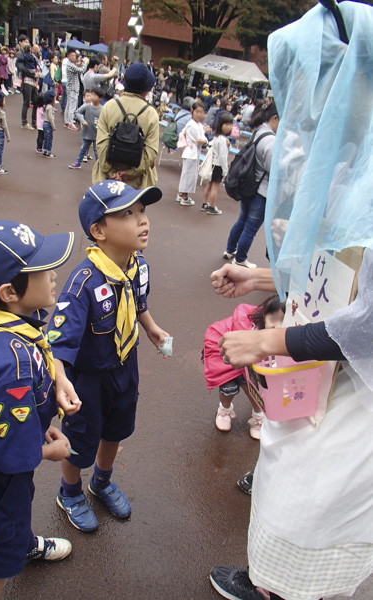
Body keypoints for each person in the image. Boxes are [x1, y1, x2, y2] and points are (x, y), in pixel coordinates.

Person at [209, 3, 373, 600]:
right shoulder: (353, 164)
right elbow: (338, 281)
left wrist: (265, 339)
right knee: (287, 489)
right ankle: (271, 583)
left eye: (317, 85)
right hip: (317, 379)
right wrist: (258, 278)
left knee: (313, 509)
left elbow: (367, 326)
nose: (304, 104)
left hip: (355, 397)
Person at [0, 220, 77, 600]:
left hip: (5, 471)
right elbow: (7, 450)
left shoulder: (4, 326)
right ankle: (9, 551)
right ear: (9, 291)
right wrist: (48, 450)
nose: (54, 275)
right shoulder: (9, 365)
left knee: (13, 520)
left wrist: (54, 380)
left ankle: (20, 542)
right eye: (41, 270)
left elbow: (12, 395)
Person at [48, 181, 169, 532]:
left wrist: (151, 327)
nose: (142, 220)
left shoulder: (138, 266)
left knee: (116, 428)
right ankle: (69, 491)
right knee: (80, 438)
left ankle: (100, 482)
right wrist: (61, 379)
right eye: (128, 214)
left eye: (143, 211)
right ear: (98, 231)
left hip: (124, 366)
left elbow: (137, 303)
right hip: (89, 378)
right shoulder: (83, 282)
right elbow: (58, 339)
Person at [204, 294, 285, 438]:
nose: (276, 326)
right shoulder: (250, 330)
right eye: (272, 319)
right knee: (231, 387)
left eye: (283, 322)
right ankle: (225, 409)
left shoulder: (283, 335)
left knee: (258, 389)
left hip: (252, 364)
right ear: (263, 315)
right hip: (226, 359)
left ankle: (258, 416)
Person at [222, 102, 278, 268]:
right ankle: (240, 258)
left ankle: (230, 249)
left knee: (241, 221)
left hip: (248, 186)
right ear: (275, 118)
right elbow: (274, 169)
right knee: (250, 229)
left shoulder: (259, 132)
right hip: (261, 192)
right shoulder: (271, 141)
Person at [93, 62, 159, 189]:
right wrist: (129, 174)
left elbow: (101, 145)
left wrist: (111, 172)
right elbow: (150, 152)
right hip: (137, 184)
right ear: (146, 89)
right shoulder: (151, 114)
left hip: (106, 180)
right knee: (133, 209)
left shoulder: (109, 106)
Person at [176, 101, 209, 207]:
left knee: (187, 174)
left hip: (192, 153)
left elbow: (201, 138)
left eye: (201, 112)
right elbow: (199, 140)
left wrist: (204, 137)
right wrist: (205, 139)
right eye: (197, 111)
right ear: (192, 111)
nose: (199, 114)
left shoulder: (197, 124)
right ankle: (184, 197)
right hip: (191, 153)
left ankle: (181, 194)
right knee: (189, 175)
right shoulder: (192, 125)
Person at [201, 113, 233, 215]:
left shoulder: (216, 137)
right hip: (218, 165)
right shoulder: (223, 140)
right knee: (215, 187)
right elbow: (223, 157)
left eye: (230, 124)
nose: (229, 127)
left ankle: (205, 203)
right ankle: (212, 206)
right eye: (226, 124)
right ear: (221, 125)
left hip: (212, 164)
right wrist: (225, 170)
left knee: (209, 185)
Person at [69, 86, 103, 169]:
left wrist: (100, 124)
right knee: (83, 148)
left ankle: (99, 166)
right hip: (87, 132)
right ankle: (78, 162)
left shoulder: (102, 109)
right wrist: (82, 120)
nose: (92, 97)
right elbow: (77, 112)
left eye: (95, 95)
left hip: (96, 133)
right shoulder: (87, 106)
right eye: (91, 95)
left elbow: (106, 119)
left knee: (97, 151)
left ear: (100, 98)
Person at [17, 43, 39, 130]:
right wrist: (33, 74)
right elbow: (22, 69)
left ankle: (33, 122)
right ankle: (24, 122)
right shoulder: (23, 57)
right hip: (27, 81)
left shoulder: (25, 57)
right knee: (26, 102)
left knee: (35, 102)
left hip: (31, 81)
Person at [42, 90, 56, 158]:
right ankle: (49, 152)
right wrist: (53, 126)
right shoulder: (50, 107)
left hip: (44, 123)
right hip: (48, 123)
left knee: (45, 138)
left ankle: (44, 150)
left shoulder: (45, 106)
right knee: (49, 138)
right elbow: (50, 117)